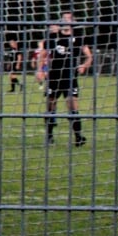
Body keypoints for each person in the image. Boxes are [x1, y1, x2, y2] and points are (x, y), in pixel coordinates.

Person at [36, 11, 92, 147]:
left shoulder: (79, 38)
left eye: (68, 18)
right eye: (64, 18)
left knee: (72, 106)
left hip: (70, 77)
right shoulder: (54, 36)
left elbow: (89, 56)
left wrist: (84, 66)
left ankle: (78, 137)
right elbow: (42, 54)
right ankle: (49, 137)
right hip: (54, 76)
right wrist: (39, 70)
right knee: (50, 105)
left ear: (74, 22)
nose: (65, 20)